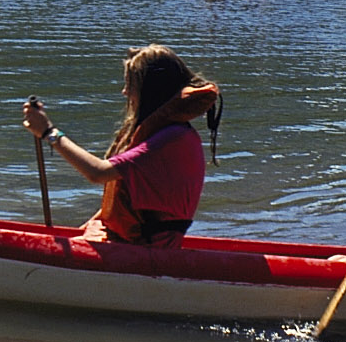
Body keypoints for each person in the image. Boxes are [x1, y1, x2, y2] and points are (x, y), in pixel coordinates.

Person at [22, 45, 220, 247]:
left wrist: (49, 132)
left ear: (150, 91)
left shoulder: (171, 139)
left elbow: (97, 173)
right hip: (125, 240)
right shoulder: (164, 133)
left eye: (130, 84)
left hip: (148, 250)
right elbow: (122, 203)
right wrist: (79, 234)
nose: (124, 91)